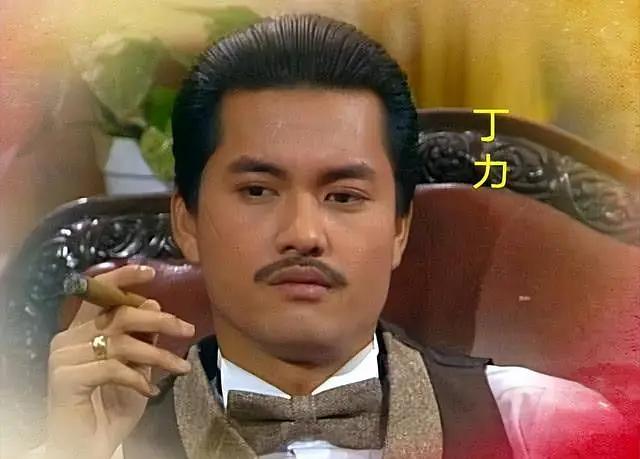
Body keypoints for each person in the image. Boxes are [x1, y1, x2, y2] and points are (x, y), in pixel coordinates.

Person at [34, 14, 636, 459]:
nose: (303, 235)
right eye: (258, 191)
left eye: (344, 196)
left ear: (399, 229)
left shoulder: (537, 427)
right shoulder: (104, 443)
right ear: (186, 221)